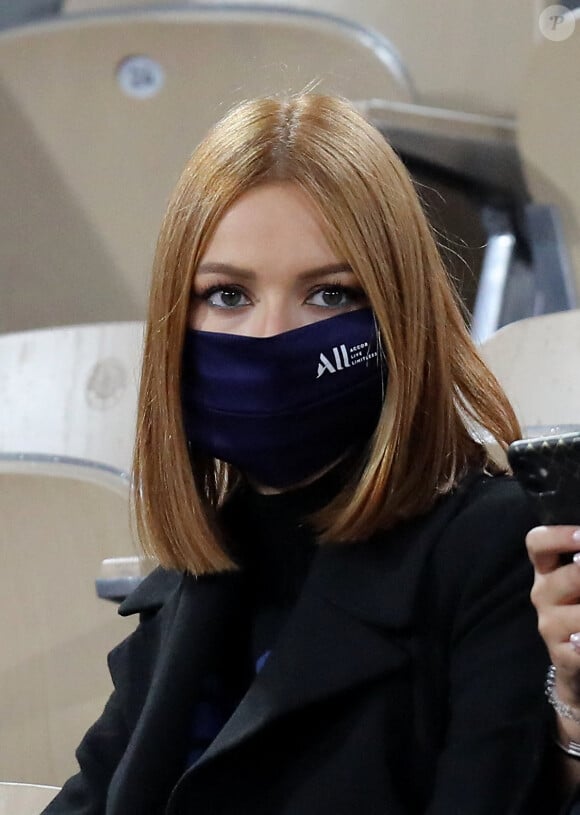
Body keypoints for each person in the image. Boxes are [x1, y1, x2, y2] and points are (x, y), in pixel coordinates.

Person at [42, 93, 556, 814]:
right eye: (227, 294)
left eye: (328, 295)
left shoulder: (494, 552)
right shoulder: (194, 580)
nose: (269, 336)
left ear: (397, 316)